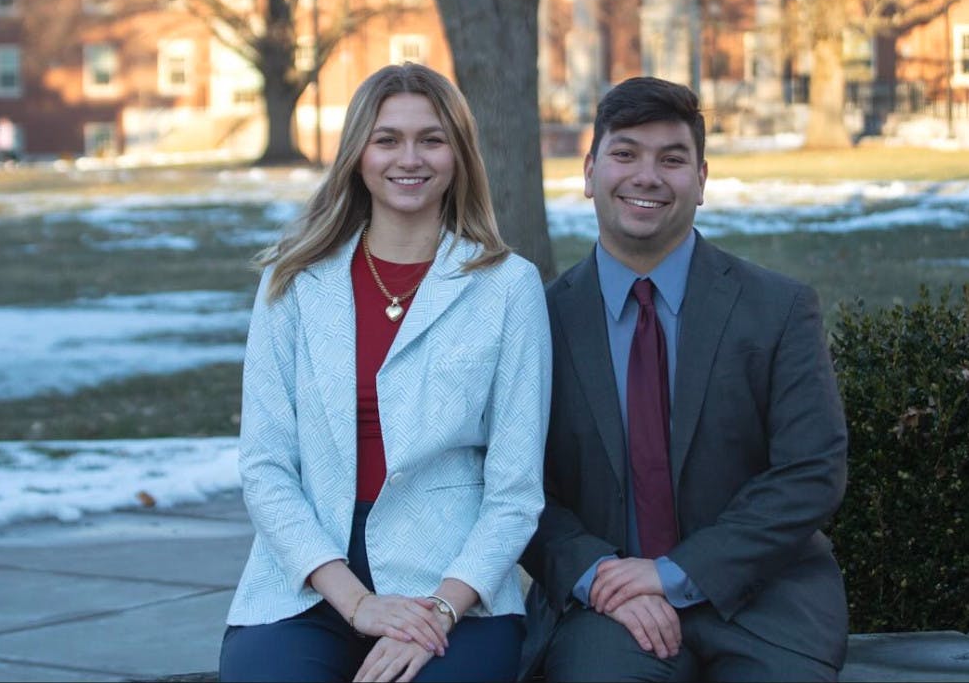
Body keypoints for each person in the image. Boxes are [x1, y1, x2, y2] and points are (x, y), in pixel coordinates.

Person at [219, 62, 552, 683]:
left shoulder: (508, 287)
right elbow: (265, 468)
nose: (410, 158)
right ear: (357, 155)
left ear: (458, 154)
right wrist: (357, 602)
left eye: (432, 139)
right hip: (309, 573)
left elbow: (515, 492)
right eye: (387, 139)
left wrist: (442, 609)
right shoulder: (293, 282)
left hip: (452, 581)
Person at [520, 76, 849, 682]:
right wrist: (601, 576)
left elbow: (810, 471)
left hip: (760, 603)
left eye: (671, 160)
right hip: (607, 608)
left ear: (701, 180)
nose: (647, 176)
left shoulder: (777, 310)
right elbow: (516, 487)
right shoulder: (536, 321)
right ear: (589, 172)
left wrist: (675, 573)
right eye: (625, 154)